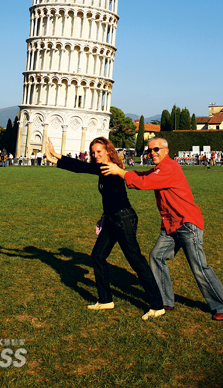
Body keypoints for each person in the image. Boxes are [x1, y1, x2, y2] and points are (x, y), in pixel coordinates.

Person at [101, 137, 223, 322]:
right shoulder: (158, 169)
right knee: (156, 256)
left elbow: (144, 183)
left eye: (156, 149)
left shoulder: (170, 167)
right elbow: (143, 176)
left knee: (199, 267)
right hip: (171, 225)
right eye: (149, 150)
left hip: (187, 224)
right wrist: (121, 172)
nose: (152, 153)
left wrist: (121, 173)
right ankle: (165, 300)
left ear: (166, 150)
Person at [45, 136, 165, 321]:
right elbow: (105, 193)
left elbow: (81, 167)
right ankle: (105, 300)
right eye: (93, 153)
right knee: (98, 256)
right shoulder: (104, 169)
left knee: (136, 260)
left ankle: (157, 305)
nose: (95, 155)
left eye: (99, 151)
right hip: (112, 219)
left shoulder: (108, 168)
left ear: (109, 151)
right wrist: (56, 160)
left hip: (123, 219)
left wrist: (56, 155)